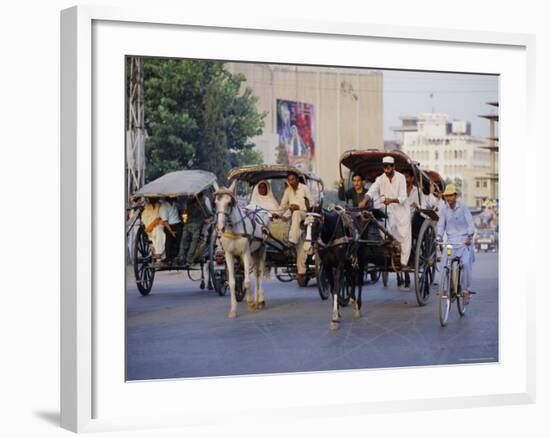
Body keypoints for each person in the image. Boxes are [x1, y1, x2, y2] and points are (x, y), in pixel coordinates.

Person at [359, 156, 412, 271]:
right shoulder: (380, 178)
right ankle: (390, 253)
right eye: (384, 168)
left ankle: (403, 262)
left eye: (388, 168)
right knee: (387, 229)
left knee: (404, 235)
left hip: (401, 210)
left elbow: (403, 197)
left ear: (393, 167)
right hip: (387, 210)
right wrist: (364, 200)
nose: (386, 170)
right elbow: (372, 190)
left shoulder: (401, 178)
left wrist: (392, 200)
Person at [436, 184, 476, 305]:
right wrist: (438, 237)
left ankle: (465, 290)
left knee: (465, 264)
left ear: (455, 196)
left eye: (450, 195)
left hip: (464, 241)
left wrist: (469, 236)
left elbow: (470, 223)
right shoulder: (444, 209)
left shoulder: (463, 207)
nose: (448, 198)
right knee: (444, 262)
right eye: (447, 196)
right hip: (451, 242)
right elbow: (441, 225)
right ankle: (447, 288)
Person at [279, 172, 314, 283]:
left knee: (297, 213)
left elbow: (312, 203)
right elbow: (282, 205)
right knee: (300, 246)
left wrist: (299, 206)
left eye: (293, 179)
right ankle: (301, 272)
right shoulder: (288, 190)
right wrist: (286, 209)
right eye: (289, 180)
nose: (291, 182)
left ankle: (291, 240)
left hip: (304, 215)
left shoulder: (304, 188)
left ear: (297, 180)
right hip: (293, 217)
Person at [178, 192, 211, 266]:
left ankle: (186, 259)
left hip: (194, 226)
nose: (204, 199)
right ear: (200, 197)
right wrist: (204, 219)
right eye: (203, 197)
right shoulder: (191, 203)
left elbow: (209, 215)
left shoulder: (202, 205)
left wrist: (206, 219)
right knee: (186, 242)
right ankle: (183, 258)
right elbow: (191, 214)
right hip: (191, 226)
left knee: (190, 243)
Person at [158, 197, 182, 264]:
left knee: (178, 242)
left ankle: (177, 257)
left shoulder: (176, 204)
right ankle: (169, 258)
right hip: (169, 226)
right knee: (168, 242)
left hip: (177, 224)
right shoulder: (163, 207)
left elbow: (180, 212)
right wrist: (171, 232)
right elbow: (165, 222)